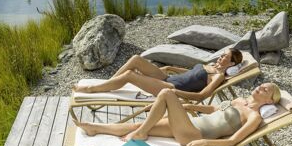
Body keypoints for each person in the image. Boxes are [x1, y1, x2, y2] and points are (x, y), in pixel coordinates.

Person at [75, 83, 281, 146]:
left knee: (166, 93)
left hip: (193, 134)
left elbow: (234, 140)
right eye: (262, 85)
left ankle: (140, 134)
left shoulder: (253, 117)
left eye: (266, 90)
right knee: (138, 124)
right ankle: (95, 128)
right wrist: (188, 106)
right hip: (189, 123)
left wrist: (204, 142)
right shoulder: (239, 101)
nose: (260, 87)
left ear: (270, 102)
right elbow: (213, 110)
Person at [72, 49, 243, 100]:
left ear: (232, 63)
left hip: (170, 87)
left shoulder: (218, 76)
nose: (221, 58)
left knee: (130, 75)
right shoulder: (211, 66)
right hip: (168, 78)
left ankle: (92, 89)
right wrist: (171, 67)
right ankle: (110, 82)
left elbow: (202, 95)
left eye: (225, 57)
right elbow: (192, 73)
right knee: (135, 59)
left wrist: (175, 92)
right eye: (222, 55)